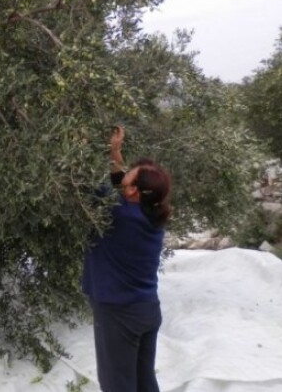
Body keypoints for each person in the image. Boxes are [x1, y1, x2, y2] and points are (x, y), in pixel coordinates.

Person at [82, 126, 172, 392]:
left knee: (116, 385)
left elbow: (91, 184)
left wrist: (82, 147)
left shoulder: (117, 213)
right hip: (146, 311)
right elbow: (119, 181)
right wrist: (115, 151)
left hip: (118, 313)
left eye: (131, 175)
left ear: (133, 191)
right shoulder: (149, 215)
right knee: (145, 382)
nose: (126, 172)